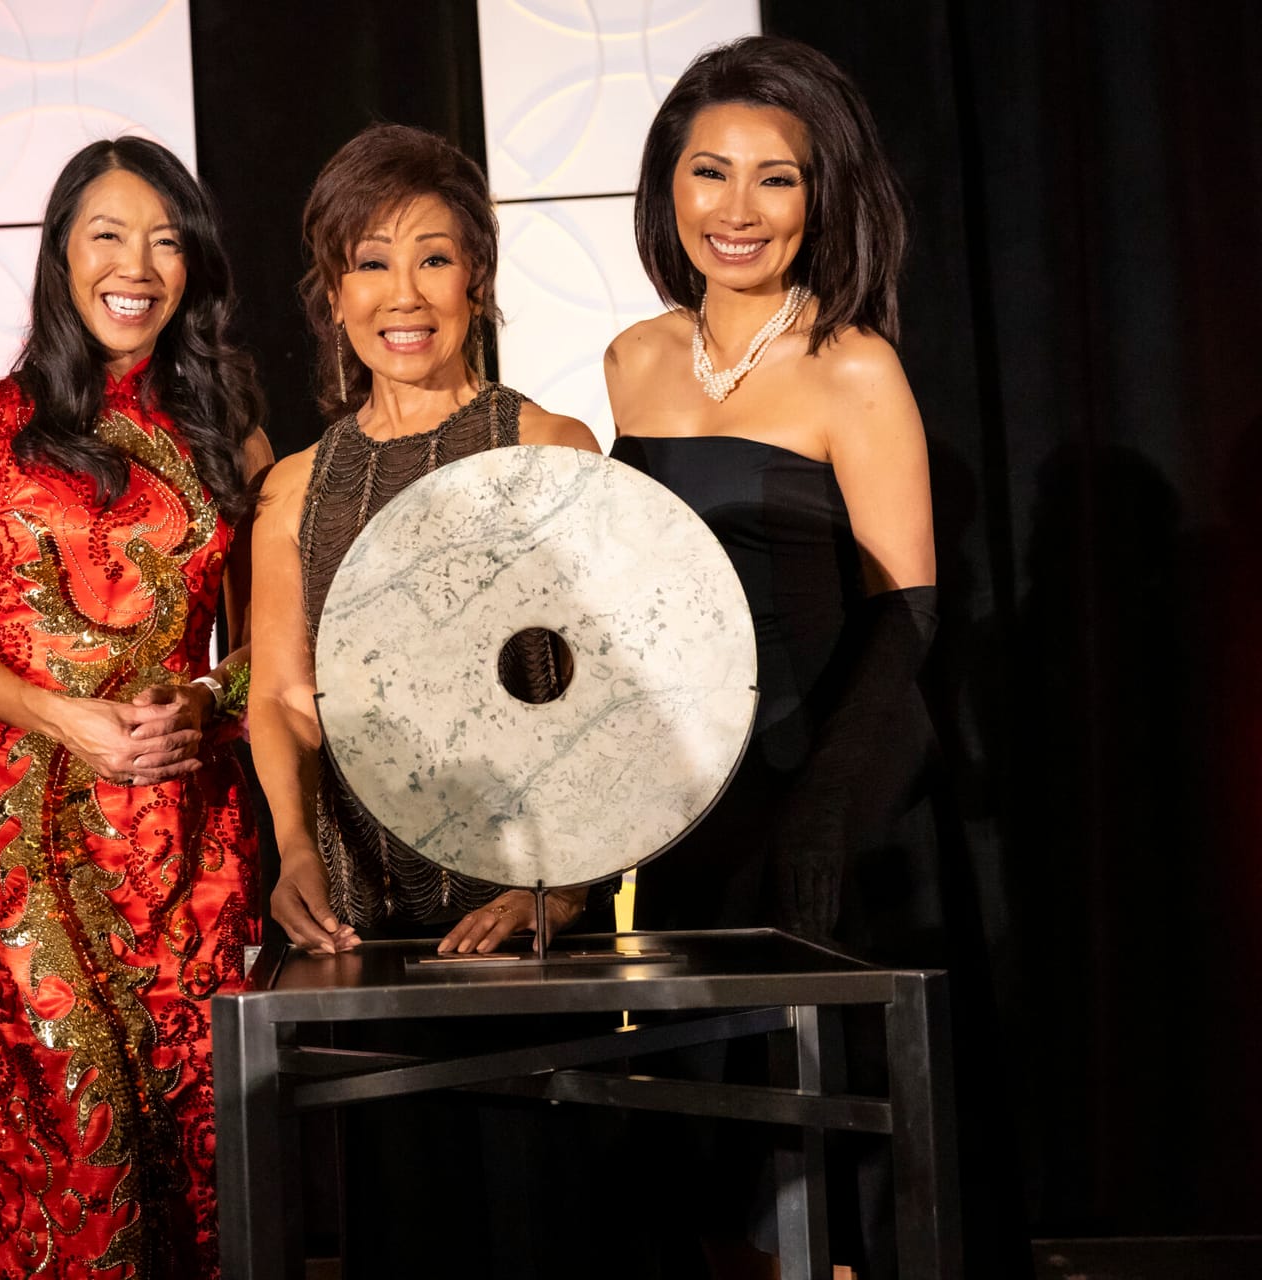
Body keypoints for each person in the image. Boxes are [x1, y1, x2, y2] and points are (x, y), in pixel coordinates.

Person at [602, 35, 940, 1278]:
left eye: (775, 179)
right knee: (691, 1129)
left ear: (821, 195)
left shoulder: (855, 365)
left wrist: (822, 817)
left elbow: (906, 614)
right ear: (669, 186)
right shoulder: (633, 360)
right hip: (684, 793)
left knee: (817, 1135)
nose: (736, 210)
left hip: (822, 778)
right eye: (709, 172)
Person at [248, 123, 606, 1279]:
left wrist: (564, 881)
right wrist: (294, 847)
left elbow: (624, 692)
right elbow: (282, 695)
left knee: (549, 1225)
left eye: (435, 258)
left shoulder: (550, 444)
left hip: (528, 921)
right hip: (373, 924)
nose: (404, 294)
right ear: (331, 291)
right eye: (369, 261)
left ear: (478, 278)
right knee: (408, 1233)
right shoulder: (297, 486)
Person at [0, 136, 267, 1278]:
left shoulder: (228, 436)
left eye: (167, 240)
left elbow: (268, 652)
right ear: (62, 256)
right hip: (38, 827)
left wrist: (205, 697)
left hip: (192, 824)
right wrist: (60, 714)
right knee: (79, 1120)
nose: (139, 264)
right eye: (108, 234)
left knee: (204, 1124)